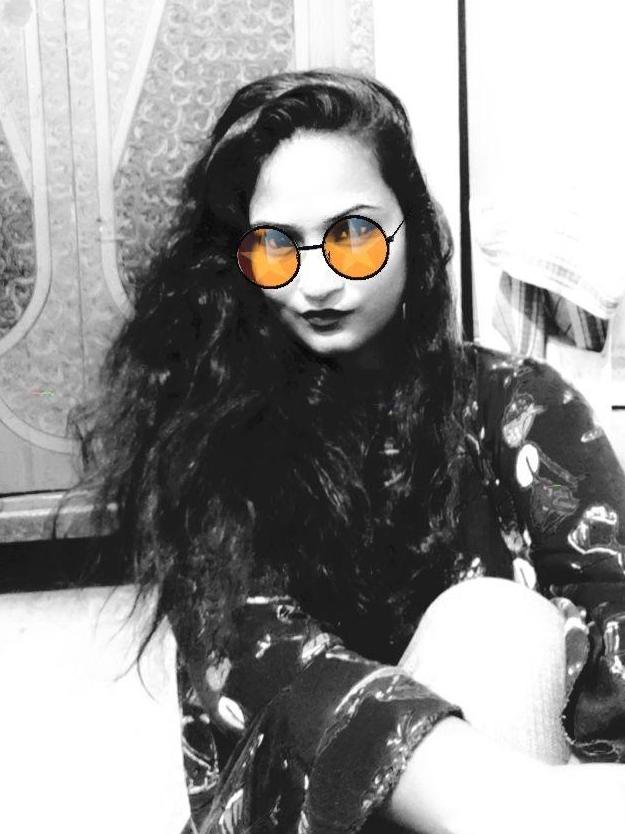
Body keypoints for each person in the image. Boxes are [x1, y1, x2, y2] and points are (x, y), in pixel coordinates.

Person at [72, 70, 625, 833]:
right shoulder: (210, 434)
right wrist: (513, 801)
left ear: (413, 229)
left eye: (353, 234)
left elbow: (611, 605)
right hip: (332, 813)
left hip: (517, 764)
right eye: (275, 245)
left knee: (493, 627)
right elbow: (267, 668)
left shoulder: (519, 402)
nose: (316, 281)